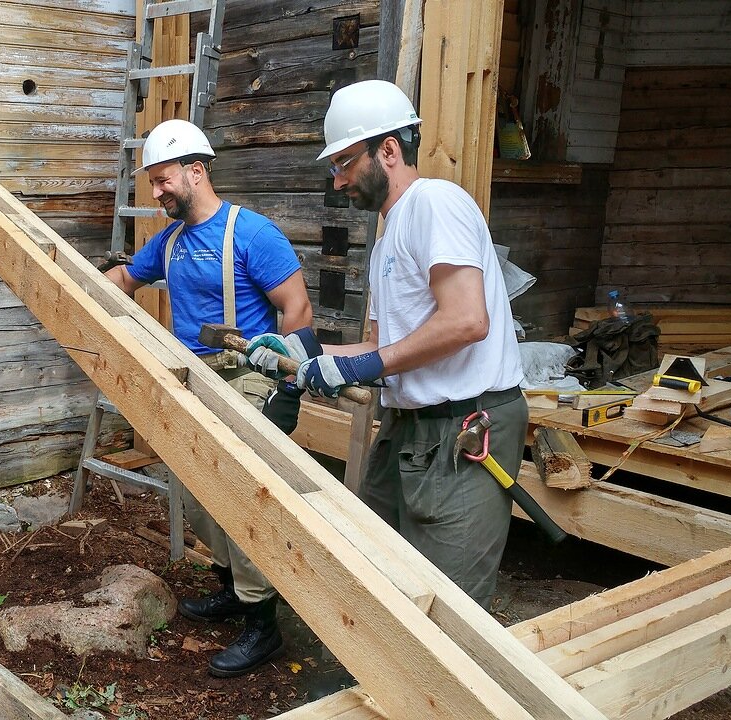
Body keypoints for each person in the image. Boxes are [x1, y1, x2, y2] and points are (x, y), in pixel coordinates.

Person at [245, 80, 527, 611]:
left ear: (389, 150)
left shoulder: (435, 203)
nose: (339, 179)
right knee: (380, 577)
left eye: (346, 162)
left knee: (448, 610)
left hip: (466, 429)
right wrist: (301, 355)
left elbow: (468, 321)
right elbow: (378, 347)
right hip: (409, 428)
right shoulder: (387, 237)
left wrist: (369, 362)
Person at [103, 119, 313, 677]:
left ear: (196, 172)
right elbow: (125, 277)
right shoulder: (168, 242)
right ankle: (231, 592)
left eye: (164, 179)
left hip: (246, 381)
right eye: (151, 182)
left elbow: (298, 309)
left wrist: (288, 384)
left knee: (242, 501)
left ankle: (263, 626)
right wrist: (81, 281)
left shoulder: (252, 234)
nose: (156, 192)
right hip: (191, 379)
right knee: (198, 498)